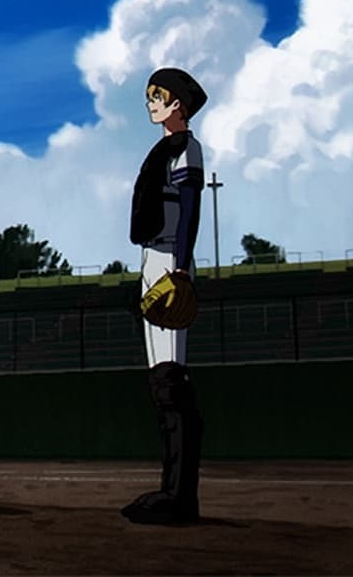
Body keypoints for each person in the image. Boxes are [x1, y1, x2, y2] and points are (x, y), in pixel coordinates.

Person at [121, 66, 208, 525]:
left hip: (169, 260)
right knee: (162, 381)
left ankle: (179, 496)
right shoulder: (164, 148)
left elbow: (191, 210)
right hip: (153, 259)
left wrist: (179, 268)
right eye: (150, 94)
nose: (151, 102)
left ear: (179, 104)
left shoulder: (186, 149)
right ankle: (170, 490)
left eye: (159, 95)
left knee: (172, 380)